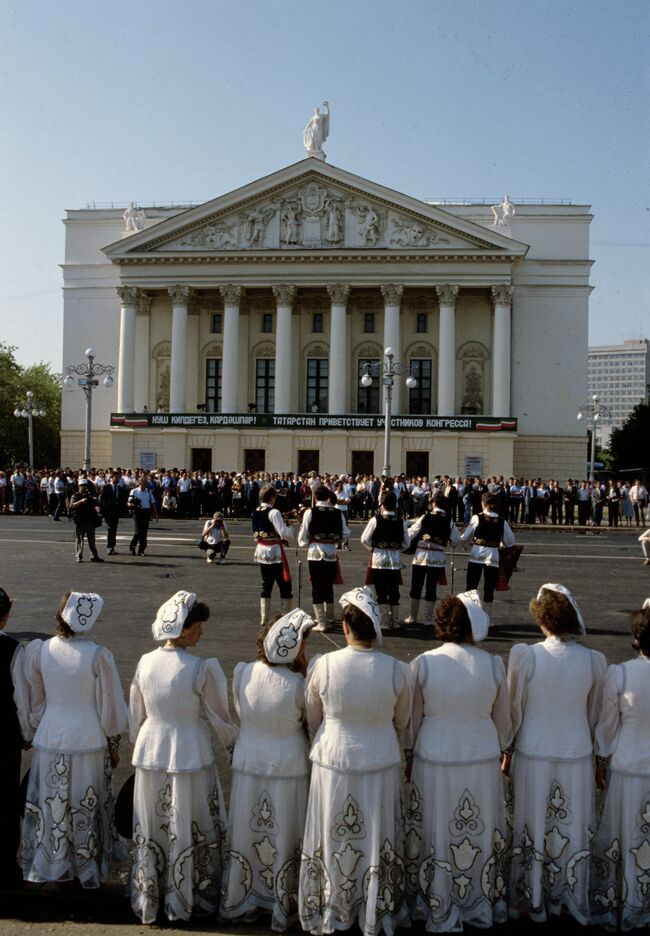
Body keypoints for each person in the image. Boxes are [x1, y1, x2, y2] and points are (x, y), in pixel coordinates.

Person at [299, 586, 412, 936]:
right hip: (379, 755)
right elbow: (402, 720)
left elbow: (312, 715)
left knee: (334, 832)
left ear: (346, 629)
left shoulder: (324, 664)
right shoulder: (397, 669)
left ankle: (334, 901)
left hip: (333, 756)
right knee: (376, 835)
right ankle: (373, 904)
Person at [129, 591, 236, 924]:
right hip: (188, 747)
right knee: (189, 819)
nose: (200, 633)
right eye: (197, 627)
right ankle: (186, 892)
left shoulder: (146, 661)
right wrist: (235, 747)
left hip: (152, 748)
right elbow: (221, 718)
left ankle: (155, 892)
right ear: (182, 628)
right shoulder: (200, 668)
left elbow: (136, 711)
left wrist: (136, 740)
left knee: (157, 821)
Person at [406, 591, 512, 930]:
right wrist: (504, 748)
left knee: (437, 828)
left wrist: (408, 753)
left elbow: (412, 719)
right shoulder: (493, 664)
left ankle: (436, 895)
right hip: (480, 754)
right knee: (476, 828)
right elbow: (504, 721)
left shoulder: (423, 663)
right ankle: (477, 897)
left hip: (435, 753)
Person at [505, 583, 606, 924]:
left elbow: (514, 709)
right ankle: (568, 890)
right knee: (571, 825)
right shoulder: (595, 660)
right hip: (575, 749)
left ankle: (533, 893)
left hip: (533, 749)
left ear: (541, 618)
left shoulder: (525, 655)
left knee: (533, 822)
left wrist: (508, 746)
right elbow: (595, 713)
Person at [16, 592, 128, 887]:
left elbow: (36, 700)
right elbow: (111, 707)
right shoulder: (98, 655)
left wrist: (36, 728)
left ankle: (54, 862)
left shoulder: (41, 651)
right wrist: (113, 743)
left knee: (54, 804)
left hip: (52, 737)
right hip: (88, 738)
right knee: (84, 803)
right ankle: (84, 864)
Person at [221, 609, 315, 931]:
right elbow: (309, 722)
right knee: (285, 832)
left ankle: (246, 892)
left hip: (250, 761)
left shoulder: (244, 672)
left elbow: (240, 712)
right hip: (288, 763)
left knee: (250, 832)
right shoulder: (298, 684)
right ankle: (281, 898)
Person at [591, 602, 650, 930]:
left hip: (628, 764)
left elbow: (607, 726)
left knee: (628, 837)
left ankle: (627, 899)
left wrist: (601, 760)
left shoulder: (621, 673)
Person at [405, 492, 461, 626]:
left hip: (421, 556)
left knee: (416, 586)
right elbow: (455, 540)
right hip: (437, 557)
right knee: (431, 588)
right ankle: (427, 619)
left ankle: (412, 617)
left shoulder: (425, 516)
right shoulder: (449, 520)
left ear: (434, 503)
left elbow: (411, 533)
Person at [0, 587, 25, 886]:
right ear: (5, 617)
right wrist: (27, 732)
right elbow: (22, 697)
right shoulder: (14, 650)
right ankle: (5, 867)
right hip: (4, 732)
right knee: (5, 801)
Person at [298, 485, 348, 632]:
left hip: (315, 552)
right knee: (328, 586)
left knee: (316, 587)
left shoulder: (310, 512)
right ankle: (329, 619)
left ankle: (321, 622)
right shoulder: (337, 512)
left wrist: (304, 542)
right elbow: (345, 532)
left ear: (314, 497)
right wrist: (335, 540)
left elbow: (304, 532)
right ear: (328, 497)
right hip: (331, 553)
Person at [361, 490, 409, 630]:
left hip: (379, 560)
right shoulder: (401, 521)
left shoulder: (375, 519)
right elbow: (406, 543)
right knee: (394, 590)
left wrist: (374, 548)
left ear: (382, 504)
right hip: (394, 561)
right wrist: (396, 549)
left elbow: (364, 539)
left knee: (381, 591)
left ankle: (385, 621)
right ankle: (395, 620)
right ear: (396, 505)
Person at [460, 492, 515, 609]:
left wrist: (465, 545)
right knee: (489, 589)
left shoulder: (477, 517)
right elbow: (510, 541)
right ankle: (487, 619)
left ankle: (470, 615)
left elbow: (466, 537)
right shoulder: (501, 520)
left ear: (483, 503)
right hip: (493, 556)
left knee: (471, 587)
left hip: (477, 554)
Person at [252, 486, 294, 626]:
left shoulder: (256, 511)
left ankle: (264, 618)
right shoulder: (274, 512)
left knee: (266, 584)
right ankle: (285, 617)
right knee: (285, 585)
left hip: (262, 550)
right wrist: (290, 527)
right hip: (274, 550)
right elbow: (283, 533)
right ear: (271, 498)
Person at [69, 478, 104, 562]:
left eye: (85, 486)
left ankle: (94, 556)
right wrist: (80, 501)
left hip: (90, 520)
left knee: (92, 540)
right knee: (79, 540)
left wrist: (96, 501)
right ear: (79, 486)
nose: (84, 487)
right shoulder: (76, 495)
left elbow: (97, 505)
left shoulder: (90, 495)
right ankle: (79, 556)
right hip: (80, 521)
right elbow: (71, 506)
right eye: (82, 486)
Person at [128, 475, 158, 556]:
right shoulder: (134, 491)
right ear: (139, 483)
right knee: (138, 531)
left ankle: (141, 550)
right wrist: (133, 504)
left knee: (144, 532)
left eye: (146, 482)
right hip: (137, 512)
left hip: (146, 512)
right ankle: (133, 546)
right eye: (144, 482)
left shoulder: (148, 491)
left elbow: (152, 503)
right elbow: (128, 502)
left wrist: (156, 514)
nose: (145, 484)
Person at [98, 471, 122, 554]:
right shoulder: (106, 487)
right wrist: (101, 510)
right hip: (108, 512)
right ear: (112, 477)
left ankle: (112, 547)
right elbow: (100, 499)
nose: (118, 479)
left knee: (114, 530)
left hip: (116, 512)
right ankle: (109, 547)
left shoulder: (119, 488)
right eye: (116, 477)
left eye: (119, 477)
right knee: (110, 529)